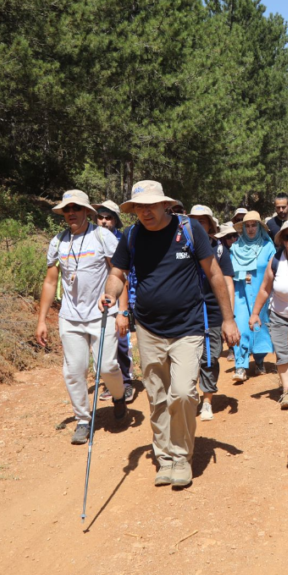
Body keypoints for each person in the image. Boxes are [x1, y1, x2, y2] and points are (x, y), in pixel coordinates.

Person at [102, 181, 239, 488]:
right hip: (149, 329)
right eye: (139, 206)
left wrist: (228, 319)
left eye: (151, 205)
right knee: (157, 396)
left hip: (188, 327)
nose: (145, 212)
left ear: (165, 205)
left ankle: (182, 456)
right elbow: (117, 274)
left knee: (182, 393)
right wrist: (110, 295)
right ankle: (165, 457)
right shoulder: (131, 235)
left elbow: (214, 273)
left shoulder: (189, 230)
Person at [36, 190, 129, 445]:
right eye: (67, 209)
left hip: (103, 312)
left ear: (88, 211)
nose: (71, 213)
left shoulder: (102, 236)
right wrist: (42, 320)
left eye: (76, 208)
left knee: (107, 366)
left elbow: (120, 274)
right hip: (70, 316)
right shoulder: (58, 241)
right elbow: (50, 281)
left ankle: (119, 396)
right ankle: (83, 419)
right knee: (74, 370)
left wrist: (123, 311)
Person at [249, 220, 288, 409]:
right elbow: (265, 290)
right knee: (283, 354)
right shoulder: (275, 261)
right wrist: (255, 313)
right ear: (282, 240)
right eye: (287, 236)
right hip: (280, 316)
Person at [188, 205, 235, 421]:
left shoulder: (219, 250)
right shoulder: (182, 248)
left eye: (202, 221)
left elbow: (227, 282)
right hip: (188, 311)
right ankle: (189, 397)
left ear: (210, 225)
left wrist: (230, 318)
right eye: (194, 220)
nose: (198, 225)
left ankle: (207, 400)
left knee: (211, 356)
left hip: (214, 311)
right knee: (189, 357)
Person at [95, 200, 137, 404]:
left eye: (108, 217)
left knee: (122, 341)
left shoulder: (124, 240)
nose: (104, 221)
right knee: (104, 345)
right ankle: (113, 384)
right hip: (100, 301)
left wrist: (126, 308)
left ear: (116, 220)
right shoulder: (91, 239)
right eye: (100, 217)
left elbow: (127, 274)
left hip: (125, 297)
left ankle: (127, 382)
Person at [230, 211, 275, 381]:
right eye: (247, 226)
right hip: (240, 293)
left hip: (261, 293)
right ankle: (240, 366)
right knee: (241, 326)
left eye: (253, 225)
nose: (250, 229)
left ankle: (259, 361)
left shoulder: (268, 247)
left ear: (259, 227)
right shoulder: (235, 248)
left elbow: (274, 272)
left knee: (260, 327)